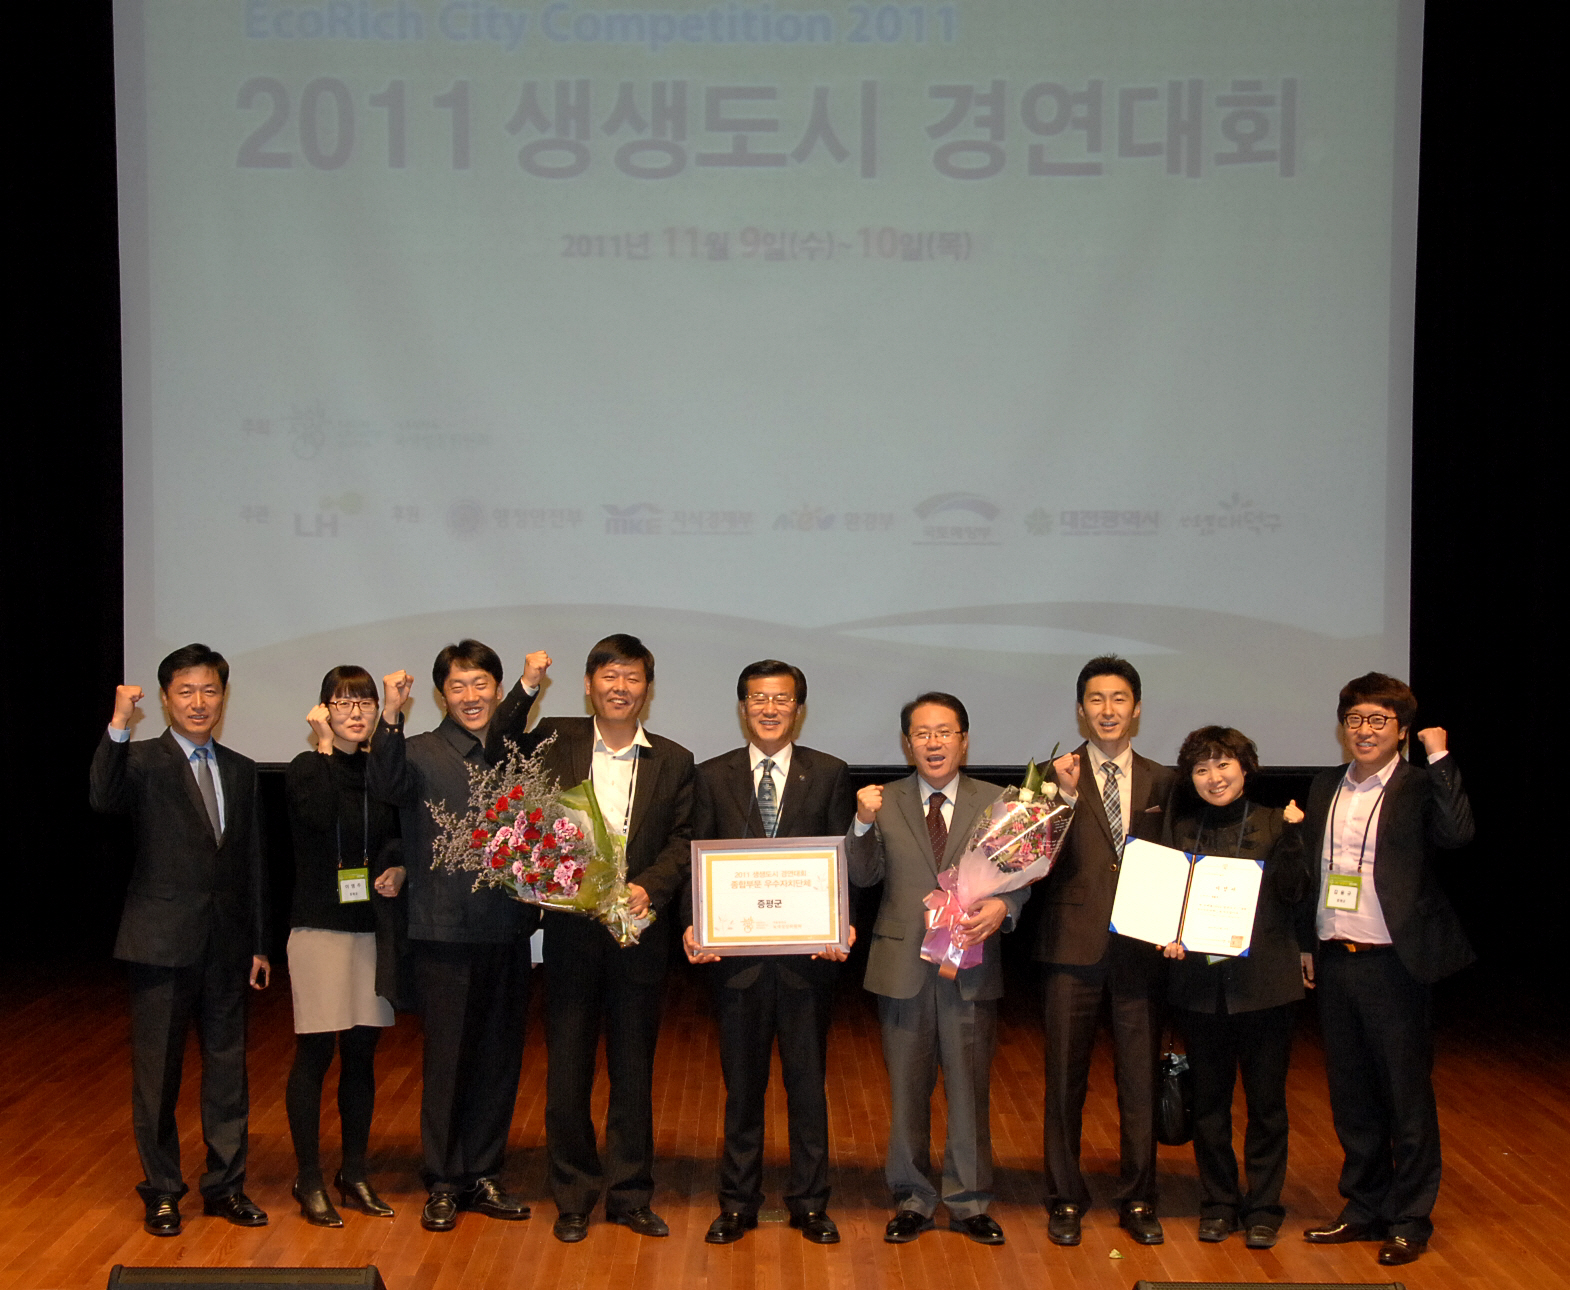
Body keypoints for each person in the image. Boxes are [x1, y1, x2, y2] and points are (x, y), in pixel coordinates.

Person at [367, 638, 552, 1232]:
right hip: (444, 934)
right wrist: (390, 713)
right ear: (441, 694)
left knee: (499, 1060)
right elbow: (384, 785)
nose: (471, 696)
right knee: (447, 1062)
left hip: (509, 930)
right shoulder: (417, 750)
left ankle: (485, 1172)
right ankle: (444, 1180)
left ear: (498, 690)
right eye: (457, 686)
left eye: (481, 684)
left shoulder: (517, 751)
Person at [89, 643, 271, 1236]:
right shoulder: (142, 760)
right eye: (186, 691)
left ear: (223, 696)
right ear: (166, 699)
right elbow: (102, 796)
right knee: (157, 1076)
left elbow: (252, 863)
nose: (199, 702)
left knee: (228, 1072)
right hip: (160, 943)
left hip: (227, 945)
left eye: (209, 690)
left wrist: (259, 943)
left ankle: (226, 1186)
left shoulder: (241, 768)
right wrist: (119, 723)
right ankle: (163, 1190)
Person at [522, 634, 695, 1244]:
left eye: (633, 678)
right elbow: (512, 778)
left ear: (648, 688)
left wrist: (650, 887)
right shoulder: (554, 742)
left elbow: (683, 839)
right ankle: (573, 1194)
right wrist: (527, 686)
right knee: (567, 1070)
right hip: (571, 933)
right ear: (588, 684)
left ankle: (629, 1194)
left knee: (633, 1070)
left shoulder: (673, 759)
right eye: (609, 676)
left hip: (639, 935)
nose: (620, 688)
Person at [1300, 672, 1474, 1267]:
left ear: (1401, 730)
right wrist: (1304, 944)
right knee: (1351, 1095)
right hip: (1335, 956)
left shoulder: (1418, 784)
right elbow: (1312, 870)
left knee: (1406, 1096)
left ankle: (1410, 1218)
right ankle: (1363, 1206)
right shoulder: (1325, 785)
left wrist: (1440, 756)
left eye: (1378, 720)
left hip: (1396, 962)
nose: (1364, 730)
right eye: (1355, 720)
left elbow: (1458, 834)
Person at [682, 660, 857, 1246]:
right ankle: (737, 1202)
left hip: (809, 963)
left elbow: (845, 862)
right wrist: (692, 925)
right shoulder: (712, 776)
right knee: (742, 1090)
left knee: (808, 1089)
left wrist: (844, 922)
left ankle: (811, 1203)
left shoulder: (829, 774)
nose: (770, 708)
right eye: (759, 698)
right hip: (737, 965)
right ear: (743, 708)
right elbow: (694, 860)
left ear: (798, 709)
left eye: (781, 698)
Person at [849, 692, 1020, 1247]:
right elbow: (863, 876)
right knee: (907, 1088)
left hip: (970, 962)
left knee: (969, 1088)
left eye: (945, 732)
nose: (934, 742)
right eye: (922, 734)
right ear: (907, 744)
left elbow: (1022, 875)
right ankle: (912, 1197)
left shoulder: (999, 802)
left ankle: (969, 1200)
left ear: (964, 741)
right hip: (903, 965)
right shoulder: (883, 801)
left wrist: (1005, 907)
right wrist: (860, 824)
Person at [1037, 656, 1176, 1246]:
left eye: (1119, 699)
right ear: (1080, 709)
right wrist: (1064, 799)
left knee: (1140, 1080)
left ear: (1136, 709)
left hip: (1142, 947)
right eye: (1096, 699)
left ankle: (1139, 1198)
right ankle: (1065, 1197)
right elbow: (1029, 862)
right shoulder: (1050, 776)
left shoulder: (1165, 780)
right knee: (1063, 1079)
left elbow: (1179, 861)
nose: (1108, 710)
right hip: (1072, 944)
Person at [1159, 726, 1312, 1249]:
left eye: (1223, 765)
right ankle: (1219, 1203)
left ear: (1245, 768)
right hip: (1200, 990)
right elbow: (1167, 904)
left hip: (1265, 986)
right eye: (1201, 769)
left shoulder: (1277, 821)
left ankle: (1264, 1207)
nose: (1213, 777)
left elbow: (1294, 893)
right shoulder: (1181, 829)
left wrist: (1294, 840)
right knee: (1209, 1106)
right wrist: (1167, 935)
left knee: (1267, 1105)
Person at [283, 666, 405, 1227]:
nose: (355, 713)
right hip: (319, 928)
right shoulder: (308, 767)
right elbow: (316, 819)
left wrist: (400, 868)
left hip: (372, 928)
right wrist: (326, 751)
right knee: (316, 1053)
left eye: (365, 702)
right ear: (323, 711)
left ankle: (353, 1171)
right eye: (342, 702)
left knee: (361, 1054)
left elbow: (398, 835)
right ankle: (308, 1177)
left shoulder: (383, 769)